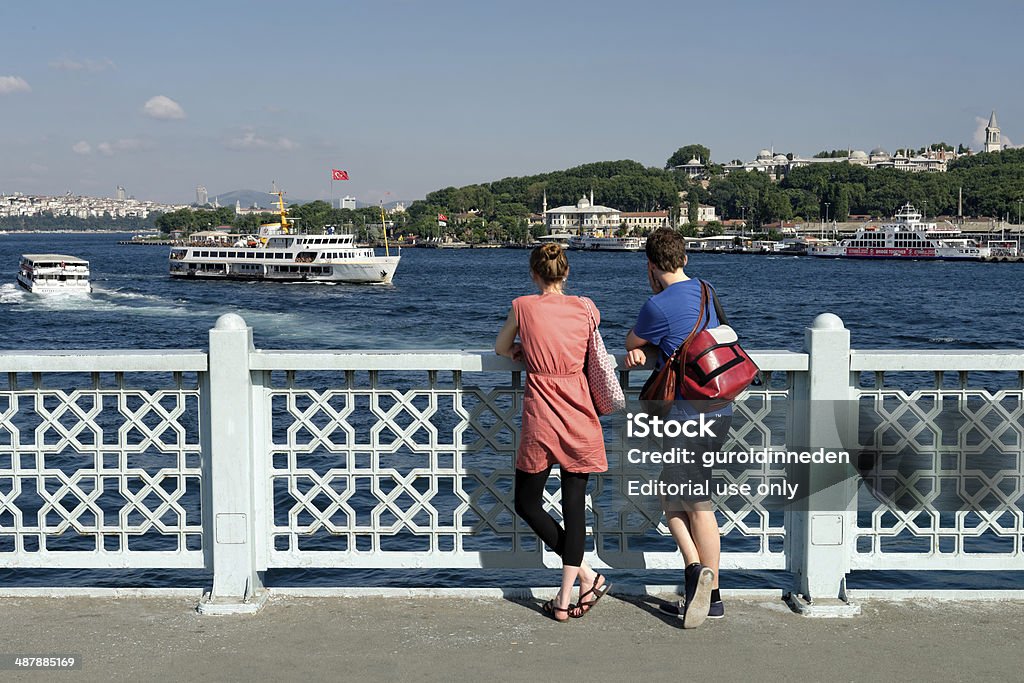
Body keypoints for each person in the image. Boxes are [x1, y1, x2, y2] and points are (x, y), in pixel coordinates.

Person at [495, 243, 611, 622]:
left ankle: (577, 587)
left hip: (542, 413)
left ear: (534, 274)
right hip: (579, 412)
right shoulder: (586, 308)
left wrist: (520, 350)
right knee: (574, 507)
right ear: (566, 272)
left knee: (527, 503)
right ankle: (575, 588)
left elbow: (499, 347)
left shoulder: (522, 307)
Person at [625, 227, 732, 629]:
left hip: (686, 414)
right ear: (683, 258)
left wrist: (642, 350)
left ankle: (706, 585)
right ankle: (700, 582)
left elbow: (632, 341)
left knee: (693, 502)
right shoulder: (706, 289)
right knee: (679, 497)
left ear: (651, 267)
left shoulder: (657, 304)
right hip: (720, 407)